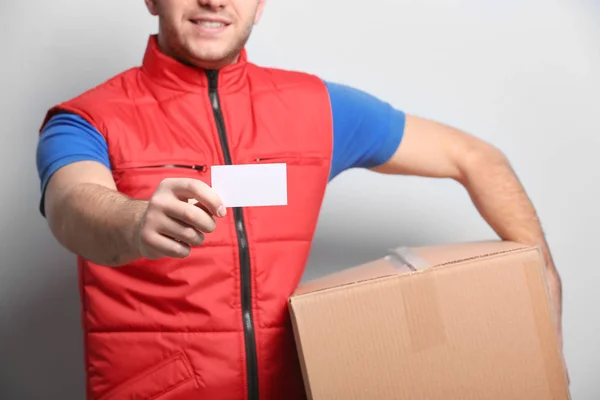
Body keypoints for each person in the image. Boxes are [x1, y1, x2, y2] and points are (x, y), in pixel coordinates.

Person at [36, 0, 564, 399]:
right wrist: (135, 220)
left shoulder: (316, 110)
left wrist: (539, 271)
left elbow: (475, 158)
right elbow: (71, 205)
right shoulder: (88, 118)